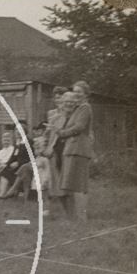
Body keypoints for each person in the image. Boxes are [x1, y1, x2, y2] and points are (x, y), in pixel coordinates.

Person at [53, 80, 94, 221]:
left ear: (86, 94)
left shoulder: (85, 108)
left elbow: (79, 127)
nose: (76, 95)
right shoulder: (76, 109)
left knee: (79, 185)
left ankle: (82, 218)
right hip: (71, 149)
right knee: (68, 185)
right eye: (74, 92)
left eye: (79, 92)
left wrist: (62, 133)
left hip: (79, 149)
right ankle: (73, 218)